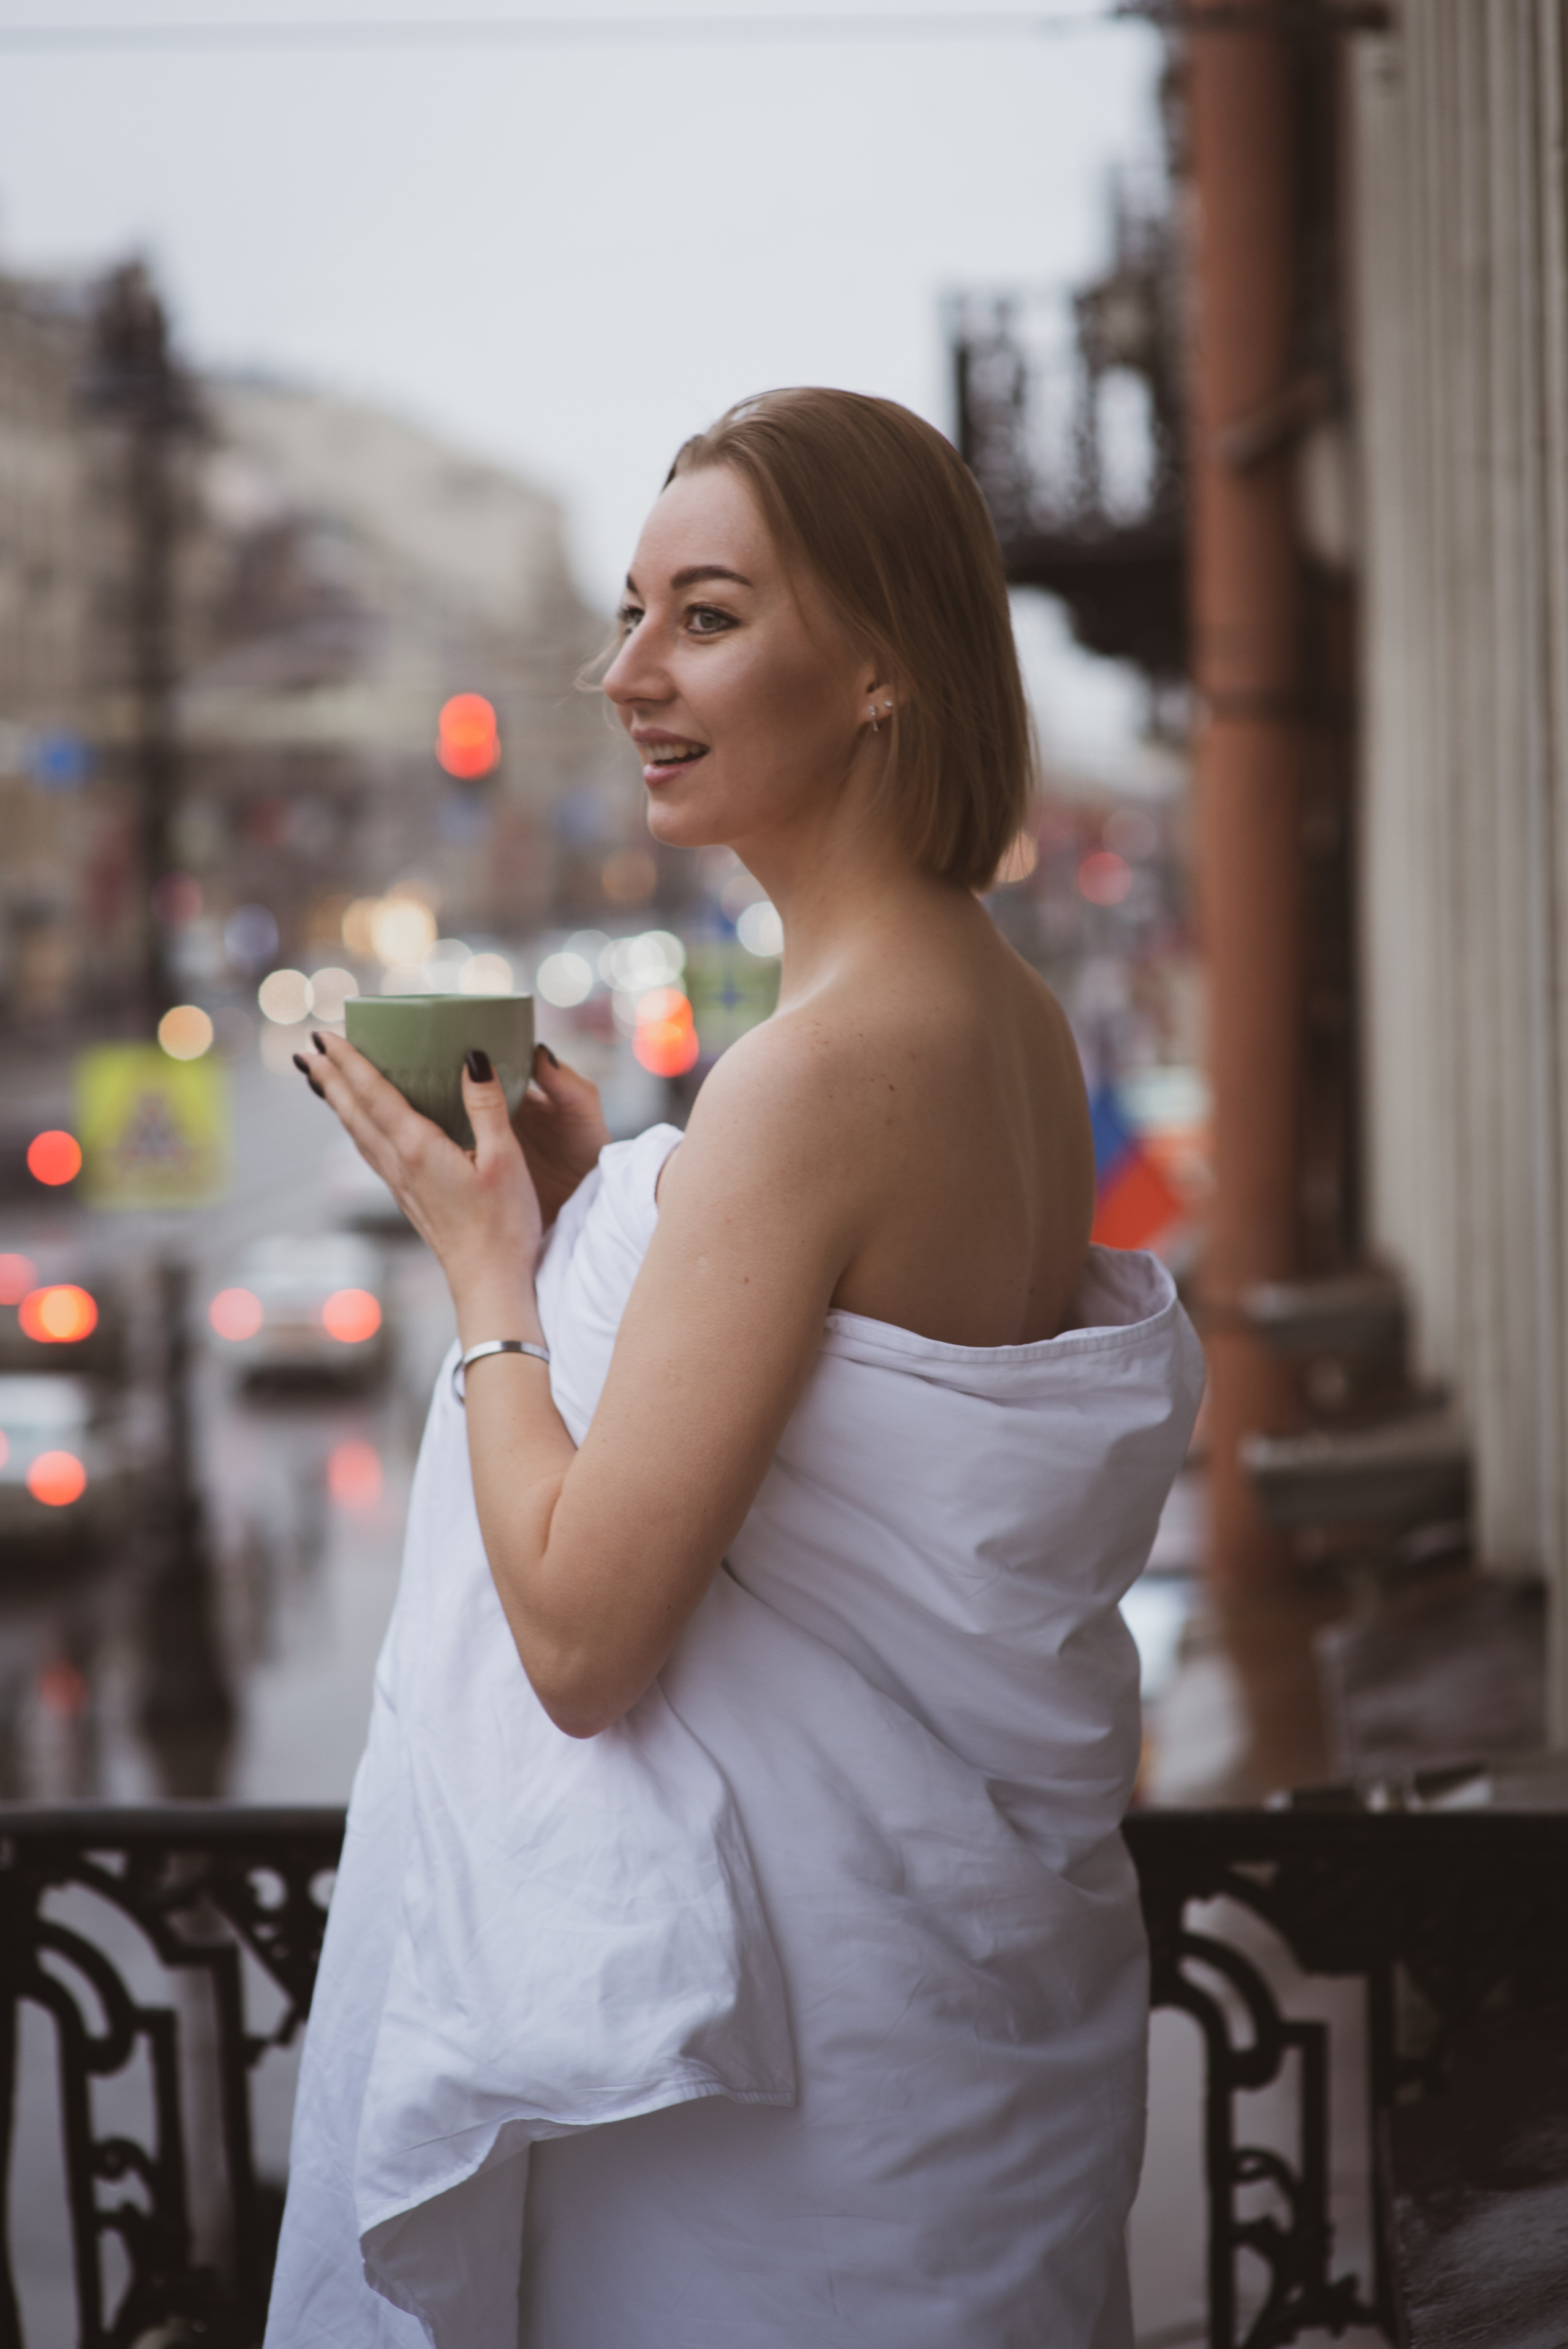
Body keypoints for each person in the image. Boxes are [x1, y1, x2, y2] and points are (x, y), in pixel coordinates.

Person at [265, 388, 1203, 2349]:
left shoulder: (813, 1075)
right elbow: (849, 1392)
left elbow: (587, 1637)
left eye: (703, 615)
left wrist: (490, 1262)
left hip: (798, 2111)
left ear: (880, 666)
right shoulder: (1005, 1016)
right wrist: (617, 1210)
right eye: (628, 613)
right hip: (955, 2057)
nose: (625, 673)